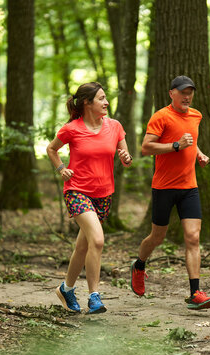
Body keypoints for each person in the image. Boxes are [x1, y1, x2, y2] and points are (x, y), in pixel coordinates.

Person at [130, 75, 210, 310]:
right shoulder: (161, 116)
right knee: (157, 237)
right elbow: (146, 147)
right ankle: (139, 265)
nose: (187, 96)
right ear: (172, 93)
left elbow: (191, 139)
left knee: (193, 237)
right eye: (182, 92)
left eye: (190, 92)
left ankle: (195, 293)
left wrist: (198, 153)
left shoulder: (196, 115)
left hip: (189, 187)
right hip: (164, 187)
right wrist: (175, 146)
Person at [47, 82, 132, 314]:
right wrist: (61, 169)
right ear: (87, 102)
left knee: (83, 247)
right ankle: (94, 296)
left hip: (103, 194)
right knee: (97, 240)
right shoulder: (71, 129)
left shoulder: (114, 127)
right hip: (77, 191)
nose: (106, 103)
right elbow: (51, 149)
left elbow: (126, 158)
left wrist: (125, 157)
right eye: (101, 98)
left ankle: (66, 288)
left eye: (106, 98)